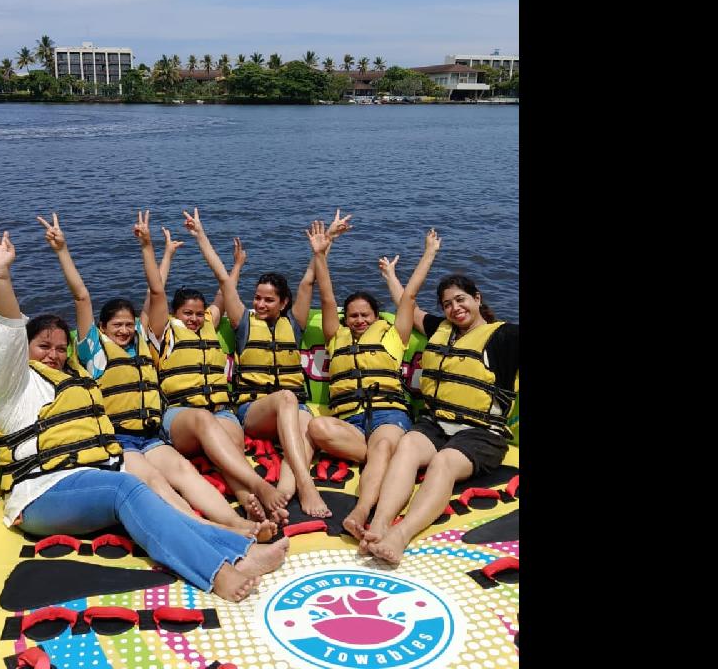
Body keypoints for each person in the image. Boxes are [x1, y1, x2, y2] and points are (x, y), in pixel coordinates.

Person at [0, 228, 289, 601]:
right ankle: (218, 573)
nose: (54, 355)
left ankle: (242, 550)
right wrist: (0, 275)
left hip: (94, 471)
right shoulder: (14, 385)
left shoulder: (74, 378)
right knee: (127, 488)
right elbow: (13, 332)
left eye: (61, 348)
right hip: (40, 492)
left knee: (151, 486)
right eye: (44, 346)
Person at [38, 212, 271, 540]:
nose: (124, 330)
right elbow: (82, 296)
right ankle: (212, 530)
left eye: (128, 324)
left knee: (184, 472)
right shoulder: (94, 351)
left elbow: (156, 292)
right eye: (116, 325)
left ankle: (238, 522)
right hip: (119, 440)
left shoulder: (143, 343)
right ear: (102, 328)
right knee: (155, 481)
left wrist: (149, 247)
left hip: (151, 435)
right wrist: (62, 250)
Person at [360, 265, 520, 566]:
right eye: (447, 304)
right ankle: (380, 523)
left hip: (482, 433)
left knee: (443, 462)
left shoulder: (506, 337)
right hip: (437, 424)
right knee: (408, 444)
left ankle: (400, 535)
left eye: (460, 300)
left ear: (476, 298)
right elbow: (409, 307)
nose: (455, 308)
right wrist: (391, 276)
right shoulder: (441, 329)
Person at [183, 208, 327, 520]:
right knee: (287, 399)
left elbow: (307, 284)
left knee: (305, 430)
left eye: (268, 300)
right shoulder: (244, 323)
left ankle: (285, 494)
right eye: (258, 298)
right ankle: (307, 485)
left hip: (292, 408)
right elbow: (223, 279)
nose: (260, 304)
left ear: (284, 303)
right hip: (255, 411)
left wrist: (320, 251)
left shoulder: (294, 323)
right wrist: (200, 235)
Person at [306, 225, 442, 544]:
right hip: (350, 421)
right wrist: (320, 254)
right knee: (316, 427)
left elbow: (409, 296)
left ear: (377, 316)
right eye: (353, 316)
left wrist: (429, 253)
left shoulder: (394, 336)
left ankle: (362, 511)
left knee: (381, 445)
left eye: (365, 315)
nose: (359, 320)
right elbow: (326, 296)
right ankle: (382, 462)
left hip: (387, 415)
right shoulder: (335, 336)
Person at [147, 227, 286, 530]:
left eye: (199, 314)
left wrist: (237, 266)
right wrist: (165, 254)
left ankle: (249, 505)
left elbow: (224, 291)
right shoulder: (163, 331)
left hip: (219, 410)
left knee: (232, 441)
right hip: (181, 418)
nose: (194, 319)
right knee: (204, 420)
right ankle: (259, 485)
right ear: (174, 313)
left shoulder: (209, 322)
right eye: (187, 313)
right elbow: (155, 291)